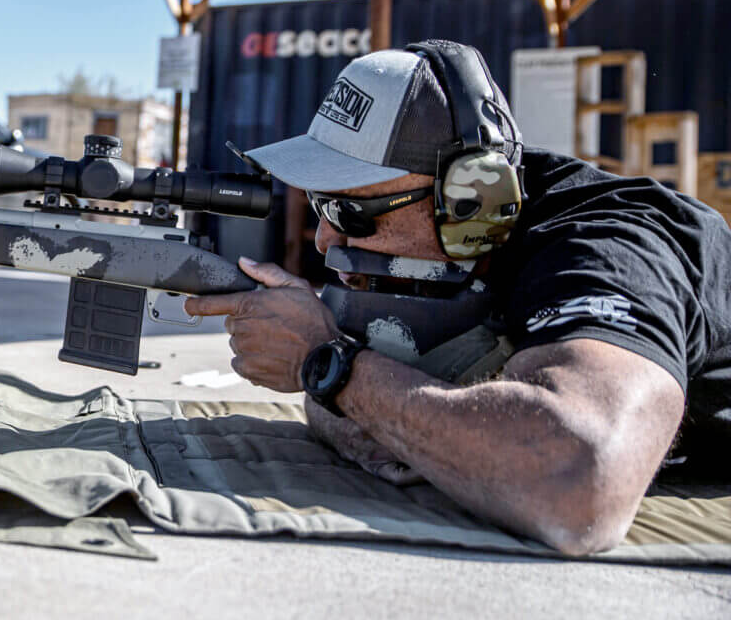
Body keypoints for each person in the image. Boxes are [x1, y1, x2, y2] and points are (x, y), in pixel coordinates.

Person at [184, 40, 731, 556]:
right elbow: (364, 414)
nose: (327, 239)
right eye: (319, 205)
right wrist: (367, 395)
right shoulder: (457, 260)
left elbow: (579, 483)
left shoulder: (607, 248)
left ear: (470, 202)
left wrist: (328, 365)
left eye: (349, 212)